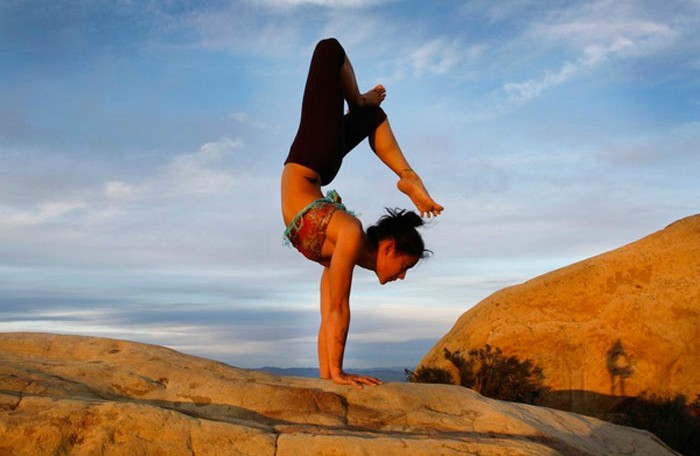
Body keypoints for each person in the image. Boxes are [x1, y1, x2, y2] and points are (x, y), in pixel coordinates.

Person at [281, 38, 443, 389]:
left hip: (317, 165)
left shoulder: (341, 248)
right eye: (405, 266)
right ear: (388, 248)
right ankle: (404, 170)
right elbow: (340, 307)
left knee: (374, 116)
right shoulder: (350, 232)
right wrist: (341, 373)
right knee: (329, 50)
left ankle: (404, 170)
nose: (402, 276)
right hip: (314, 158)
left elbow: (327, 312)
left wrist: (329, 377)